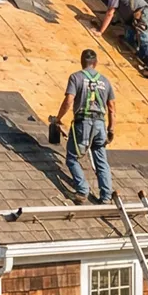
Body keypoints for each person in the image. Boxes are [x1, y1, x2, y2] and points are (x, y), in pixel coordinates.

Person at [52, 50, 116, 204]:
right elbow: (112, 107)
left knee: (72, 157)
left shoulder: (76, 77)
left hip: (83, 124)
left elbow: (69, 100)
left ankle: (82, 190)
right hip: (100, 125)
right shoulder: (105, 81)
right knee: (101, 160)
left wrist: (58, 119)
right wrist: (111, 129)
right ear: (96, 63)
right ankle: (106, 196)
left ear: (82, 62)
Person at [94, 0, 148, 79]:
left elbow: (110, 14)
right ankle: (145, 62)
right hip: (141, 16)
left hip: (143, 15)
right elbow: (116, 17)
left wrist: (100, 31)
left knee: (144, 39)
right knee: (131, 38)